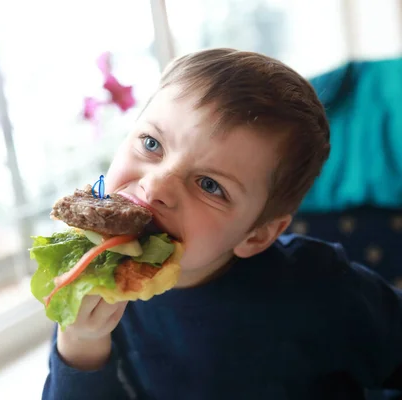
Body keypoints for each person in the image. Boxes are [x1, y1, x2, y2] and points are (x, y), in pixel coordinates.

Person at [42, 48, 402, 399]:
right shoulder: (95, 279)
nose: (156, 186)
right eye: (151, 143)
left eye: (210, 185)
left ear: (257, 235)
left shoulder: (321, 286)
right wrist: (81, 346)